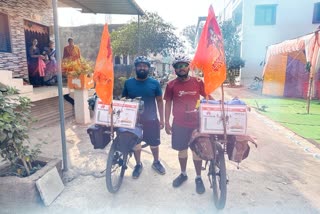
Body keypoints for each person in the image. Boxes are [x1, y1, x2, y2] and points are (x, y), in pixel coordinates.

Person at [163, 55, 208, 194]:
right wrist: (166, 122)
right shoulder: (171, 85)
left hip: (196, 124)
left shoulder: (198, 82)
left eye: (183, 65)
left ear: (188, 67)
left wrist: (218, 105)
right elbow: (168, 103)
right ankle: (183, 174)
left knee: (196, 152)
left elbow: (207, 96)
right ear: (174, 69)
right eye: (178, 66)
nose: (181, 68)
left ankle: (199, 177)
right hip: (179, 123)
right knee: (182, 150)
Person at [122, 56, 166, 178]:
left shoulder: (154, 83)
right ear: (135, 67)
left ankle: (156, 162)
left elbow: (160, 102)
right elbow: (124, 100)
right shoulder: (128, 83)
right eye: (140, 65)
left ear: (148, 68)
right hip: (134, 121)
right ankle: (138, 164)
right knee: (136, 143)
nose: (142, 68)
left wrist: (162, 119)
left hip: (151, 119)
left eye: (145, 65)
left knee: (154, 143)